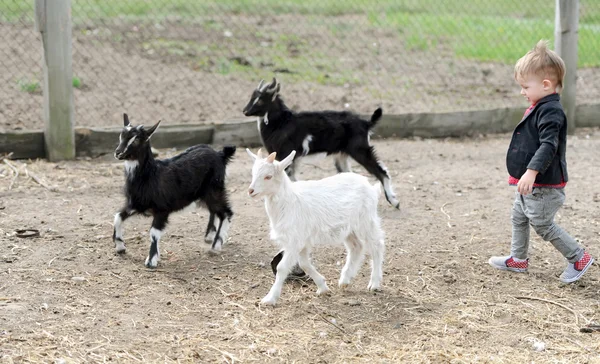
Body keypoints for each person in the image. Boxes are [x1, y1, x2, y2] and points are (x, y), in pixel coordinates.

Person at [488, 40, 593, 283]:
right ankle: (518, 259)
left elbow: (549, 145)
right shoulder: (540, 106)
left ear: (545, 85)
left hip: (543, 185)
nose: (522, 92)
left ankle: (578, 257)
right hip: (532, 185)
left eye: (525, 86)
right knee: (519, 217)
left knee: (542, 224)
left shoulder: (551, 111)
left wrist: (531, 172)